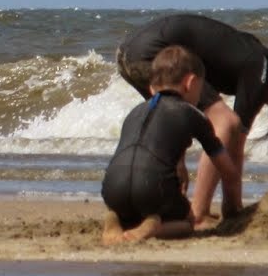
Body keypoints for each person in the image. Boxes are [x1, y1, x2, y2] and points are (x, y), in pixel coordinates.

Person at [115, 13, 268, 222]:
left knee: (175, 120)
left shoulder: (254, 56)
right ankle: (200, 212)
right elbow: (234, 143)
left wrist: (179, 159)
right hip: (152, 54)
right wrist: (233, 207)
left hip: (130, 53)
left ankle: (159, 205)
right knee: (226, 121)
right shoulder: (260, 72)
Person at [101, 45, 237, 244]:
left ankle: (115, 219)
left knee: (135, 207)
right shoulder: (193, 114)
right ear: (190, 83)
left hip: (112, 190)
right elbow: (227, 170)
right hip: (152, 190)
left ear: (151, 87)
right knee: (188, 222)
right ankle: (155, 228)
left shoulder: (135, 112)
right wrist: (235, 210)